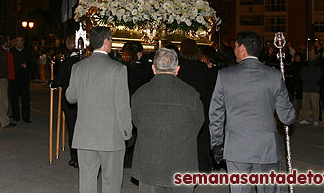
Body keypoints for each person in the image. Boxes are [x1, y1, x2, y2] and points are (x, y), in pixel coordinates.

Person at [209, 30, 295, 193]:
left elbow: (216, 114)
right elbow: (287, 117)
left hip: (237, 148)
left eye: (235, 46)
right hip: (267, 148)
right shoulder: (274, 76)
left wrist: (217, 143)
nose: (234, 50)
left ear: (242, 48)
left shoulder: (224, 75)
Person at [66, 26, 132, 193]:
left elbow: (70, 97)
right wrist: (127, 132)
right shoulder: (118, 69)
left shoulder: (78, 68)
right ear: (106, 41)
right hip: (110, 137)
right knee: (111, 183)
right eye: (110, 39)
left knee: (87, 182)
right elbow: (122, 105)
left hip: (85, 136)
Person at [131, 48, 203, 192]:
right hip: (181, 163)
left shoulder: (140, 94)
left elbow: (136, 122)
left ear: (153, 68)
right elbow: (198, 123)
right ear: (177, 69)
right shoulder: (191, 94)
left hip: (149, 164)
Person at [177, 39, 217, 173]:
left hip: (182, 107)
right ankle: (203, 166)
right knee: (201, 137)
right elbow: (212, 86)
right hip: (200, 106)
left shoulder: (178, 67)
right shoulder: (201, 67)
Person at [50, 36, 82, 168]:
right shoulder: (84, 61)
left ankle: (74, 158)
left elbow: (59, 81)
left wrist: (52, 84)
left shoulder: (66, 63)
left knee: (72, 128)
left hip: (69, 101)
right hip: (83, 100)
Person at [10, 36, 34, 123]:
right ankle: (16, 116)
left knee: (25, 98)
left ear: (23, 42)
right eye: (18, 41)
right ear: (15, 42)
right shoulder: (12, 51)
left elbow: (32, 63)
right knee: (14, 98)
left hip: (24, 78)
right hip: (14, 78)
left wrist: (27, 65)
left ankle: (26, 117)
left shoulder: (27, 51)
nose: (19, 43)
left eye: (21, 41)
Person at [299, 50, 322, 126]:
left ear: (315, 55)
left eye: (312, 54)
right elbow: (302, 75)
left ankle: (316, 119)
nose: (310, 56)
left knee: (315, 105)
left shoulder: (318, 64)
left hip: (314, 88)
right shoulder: (305, 64)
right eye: (309, 54)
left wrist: (313, 81)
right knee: (305, 104)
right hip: (306, 87)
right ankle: (305, 118)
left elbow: (318, 76)